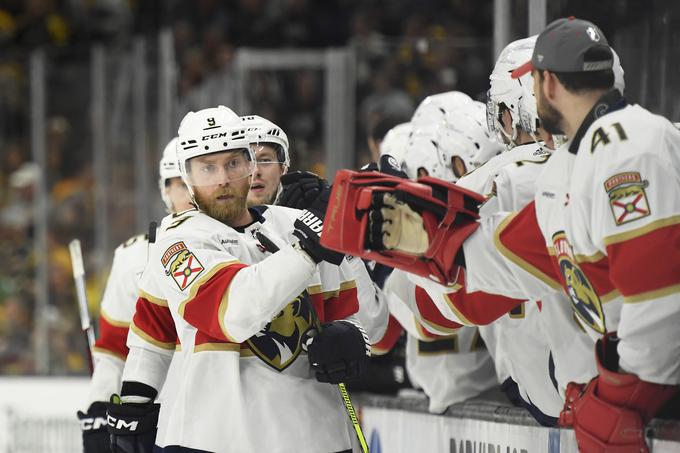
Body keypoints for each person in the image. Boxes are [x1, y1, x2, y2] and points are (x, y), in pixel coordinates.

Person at [356, 18, 680, 452]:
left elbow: (658, 293)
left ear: (546, 87)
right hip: (637, 387)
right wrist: (427, 237)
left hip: (658, 391)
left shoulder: (630, 144)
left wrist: (624, 393)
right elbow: (518, 257)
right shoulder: (569, 165)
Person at [109, 105, 370, 453]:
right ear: (188, 178)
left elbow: (352, 316)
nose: (222, 179)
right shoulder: (178, 241)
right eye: (207, 168)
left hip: (313, 436)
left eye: (233, 163)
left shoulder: (296, 223)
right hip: (212, 440)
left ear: (250, 165)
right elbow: (233, 312)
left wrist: (352, 337)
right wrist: (134, 403)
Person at [77, 137, 192, 452]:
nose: (190, 192)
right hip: (155, 418)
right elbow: (114, 351)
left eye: (197, 179)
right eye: (180, 183)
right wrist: (99, 410)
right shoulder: (133, 256)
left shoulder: (250, 244)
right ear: (164, 190)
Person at [240, 115, 290, 206]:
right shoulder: (206, 219)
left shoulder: (297, 216)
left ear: (283, 168)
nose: (255, 171)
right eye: (243, 162)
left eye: (265, 161)